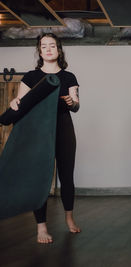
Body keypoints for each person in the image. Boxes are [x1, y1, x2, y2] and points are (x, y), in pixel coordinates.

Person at [8, 33, 81, 243]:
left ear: (58, 49)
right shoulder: (30, 77)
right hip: (39, 130)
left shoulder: (69, 77)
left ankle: (69, 218)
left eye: (52, 45)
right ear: (39, 51)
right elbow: (20, 103)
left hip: (64, 128)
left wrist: (71, 102)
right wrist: (14, 102)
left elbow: (76, 105)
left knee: (67, 176)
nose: (48, 49)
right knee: (39, 179)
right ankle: (41, 227)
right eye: (43, 46)